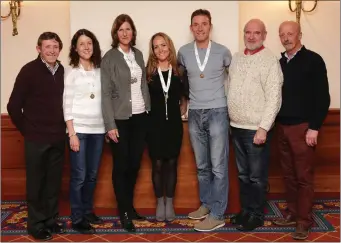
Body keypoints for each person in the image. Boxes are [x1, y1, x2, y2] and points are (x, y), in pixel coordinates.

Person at [273, 21, 330, 240]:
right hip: (282, 127)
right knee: (288, 175)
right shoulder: (279, 63)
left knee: (303, 176)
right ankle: (293, 212)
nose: (286, 38)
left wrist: (314, 127)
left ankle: (303, 221)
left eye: (290, 34)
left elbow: (323, 98)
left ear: (299, 35)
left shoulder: (313, 60)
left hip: (303, 128)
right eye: (283, 34)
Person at [7, 32, 66, 241]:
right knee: (36, 184)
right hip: (36, 139)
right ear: (38, 49)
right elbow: (13, 106)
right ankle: (36, 224)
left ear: (60, 49)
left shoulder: (62, 71)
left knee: (53, 183)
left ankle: (50, 219)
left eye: (55, 46)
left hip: (58, 137)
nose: (52, 50)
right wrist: (28, 130)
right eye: (47, 47)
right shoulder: (28, 71)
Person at [177, 9, 232, 232]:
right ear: (191, 28)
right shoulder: (183, 52)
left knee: (218, 166)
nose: (200, 28)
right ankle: (207, 204)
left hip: (218, 110)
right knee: (202, 166)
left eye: (204, 24)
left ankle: (218, 213)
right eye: (196, 24)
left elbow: (235, 79)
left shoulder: (223, 52)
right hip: (195, 113)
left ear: (210, 26)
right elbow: (182, 81)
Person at [227, 19, 283, 231]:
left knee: (256, 176)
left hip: (256, 129)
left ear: (264, 35)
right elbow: (229, 87)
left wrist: (264, 127)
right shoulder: (237, 58)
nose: (251, 36)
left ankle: (257, 215)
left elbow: (274, 97)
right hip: (236, 126)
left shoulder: (270, 60)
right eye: (248, 32)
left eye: (256, 33)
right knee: (242, 175)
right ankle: (246, 211)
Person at [101, 14, 151, 232]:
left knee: (134, 165)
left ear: (133, 32)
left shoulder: (138, 55)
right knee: (121, 166)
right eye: (121, 29)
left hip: (140, 117)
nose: (125, 33)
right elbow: (105, 94)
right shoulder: (109, 58)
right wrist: (110, 124)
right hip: (120, 119)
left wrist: (148, 110)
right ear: (115, 33)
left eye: (128, 29)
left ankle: (129, 207)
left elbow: (143, 85)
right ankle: (123, 212)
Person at [63, 29, 105, 234]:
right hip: (78, 130)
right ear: (75, 48)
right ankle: (77, 217)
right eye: (82, 44)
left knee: (92, 175)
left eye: (89, 43)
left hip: (98, 130)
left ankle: (87, 211)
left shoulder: (100, 70)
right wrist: (71, 133)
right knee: (79, 175)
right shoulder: (71, 72)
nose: (86, 47)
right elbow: (66, 105)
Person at [146, 32, 188, 222]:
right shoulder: (149, 72)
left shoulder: (179, 70)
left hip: (173, 126)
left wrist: (176, 114)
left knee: (171, 163)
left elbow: (184, 99)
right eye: (156, 46)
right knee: (157, 165)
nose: (160, 49)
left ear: (169, 46)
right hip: (153, 126)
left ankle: (169, 203)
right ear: (152, 50)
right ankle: (159, 202)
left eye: (163, 45)